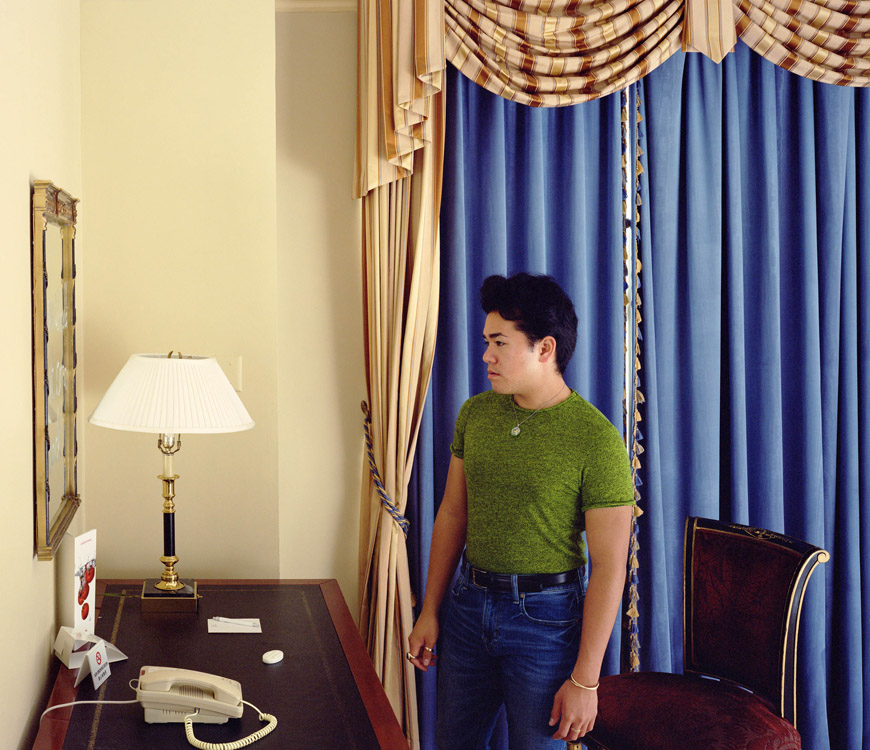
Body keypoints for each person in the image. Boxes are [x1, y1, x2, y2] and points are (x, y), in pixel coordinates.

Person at [407, 272, 634, 749]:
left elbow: (611, 567)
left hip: (546, 623)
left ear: (545, 348)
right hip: (468, 607)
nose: (486, 355)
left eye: (499, 343)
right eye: (486, 342)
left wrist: (586, 680)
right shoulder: (476, 414)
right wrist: (430, 609)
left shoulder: (596, 440)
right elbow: (453, 514)